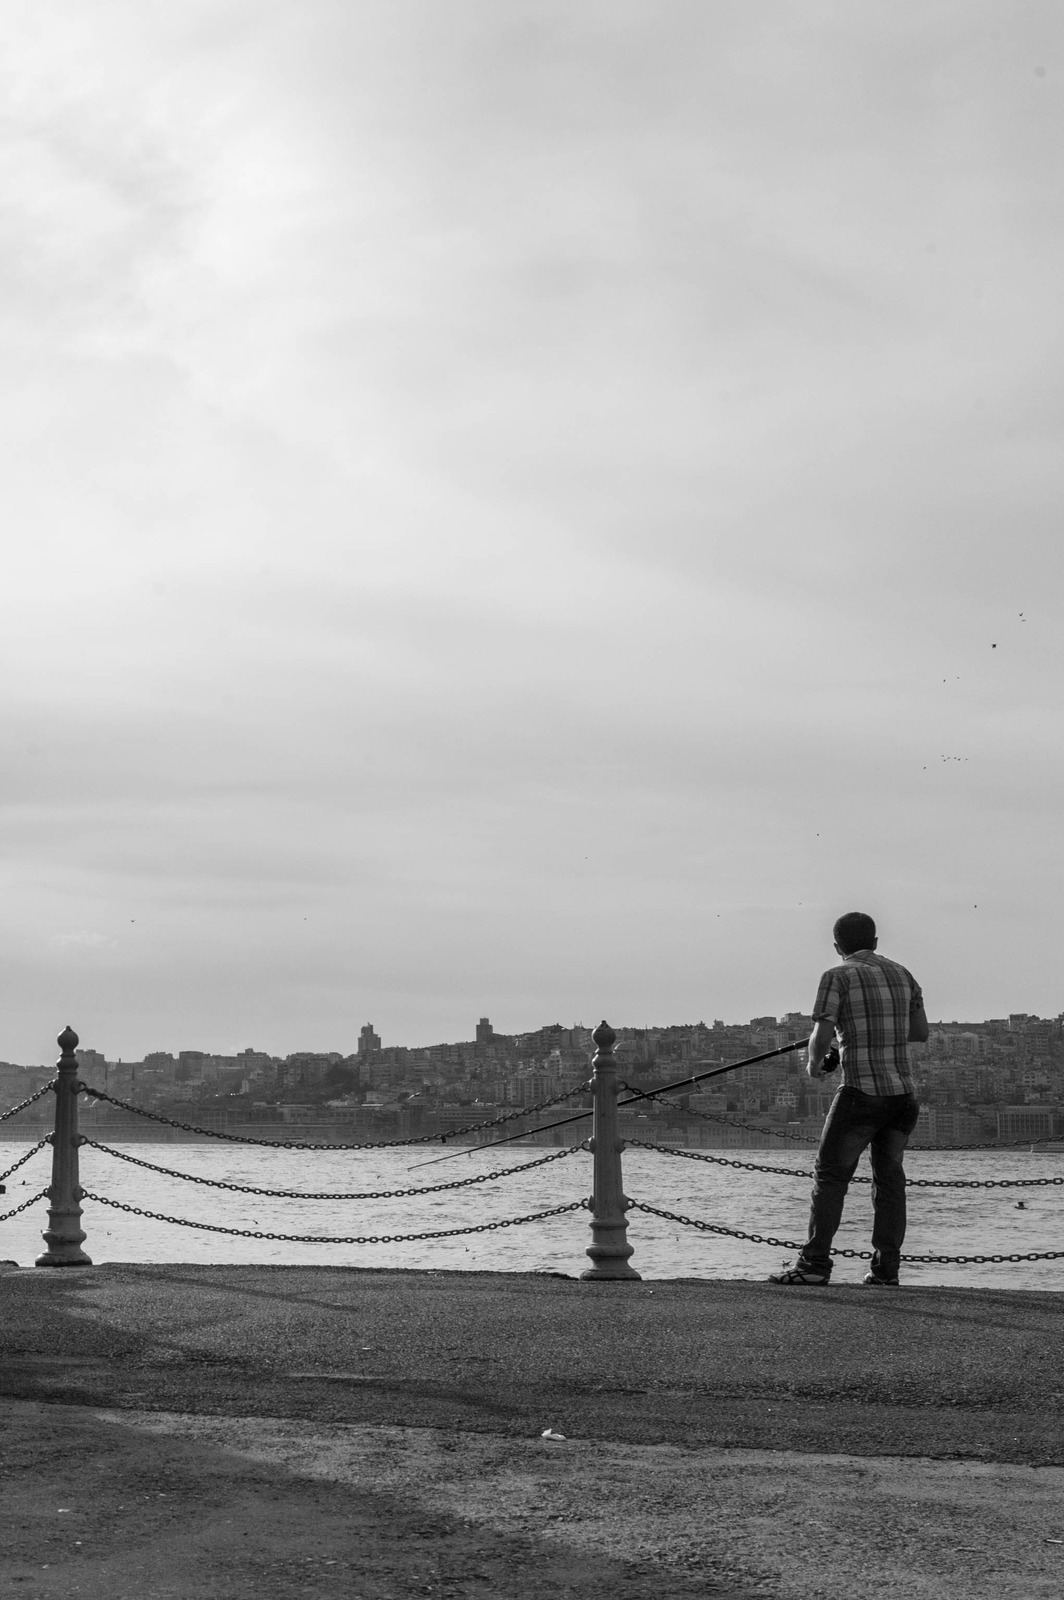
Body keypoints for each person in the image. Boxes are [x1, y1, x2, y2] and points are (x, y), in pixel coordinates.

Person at [769, 912, 928, 1288]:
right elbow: (919, 1032)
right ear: (874, 941)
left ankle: (813, 1265)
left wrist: (814, 1065)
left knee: (830, 1178)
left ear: (837, 946)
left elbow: (821, 1035)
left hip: (861, 1092)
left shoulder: (836, 976)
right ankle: (886, 1270)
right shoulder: (904, 974)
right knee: (889, 1182)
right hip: (903, 1096)